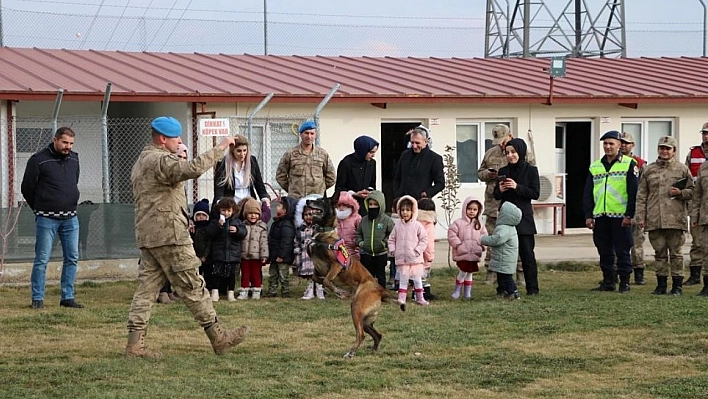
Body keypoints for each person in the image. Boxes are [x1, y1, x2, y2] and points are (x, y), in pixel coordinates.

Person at [126, 116, 248, 358]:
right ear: (163, 139)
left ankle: (134, 345)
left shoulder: (142, 160)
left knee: (146, 291)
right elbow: (190, 169)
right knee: (193, 286)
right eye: (176, 138)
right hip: (170, 235)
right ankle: (219, 337)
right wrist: (221, 147)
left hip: (150, 235)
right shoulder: (160, 160)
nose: (179, 142)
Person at [21, 126, 83, 310]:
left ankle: (67, 297)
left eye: (71, 143)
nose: (68, 147)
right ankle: (37, 298)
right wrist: (40, 208)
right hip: (46, 219)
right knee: (42, 259)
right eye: (65, 142)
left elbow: (74, 182)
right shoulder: (38, 160)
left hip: (71, 218)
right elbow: (27, 188)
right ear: (55, 140)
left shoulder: (74, 159)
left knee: (72, 258)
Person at [477, 125, 535, 286]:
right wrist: (489, 174)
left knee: (515, 240)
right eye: (499, 143)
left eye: (503, 142)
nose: (502, 146)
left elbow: (530, 174)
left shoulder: (522, 153)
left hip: (514, 204)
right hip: (494, 202)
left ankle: (520, 273)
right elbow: (480, 173)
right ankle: (492, 272)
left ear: (510, 136)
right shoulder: (491, 153)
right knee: (493, 237)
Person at [635, 136, 693, 296]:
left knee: (676, 254)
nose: (664, 151)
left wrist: (681, 192)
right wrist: (640, 216)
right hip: (655, 219)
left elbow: (694, 192)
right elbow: (641, 196)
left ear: (674, 150)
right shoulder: (648, 170)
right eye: (662, 148)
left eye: (668, 148)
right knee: (659, 254)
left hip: (676, 219)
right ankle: (661, 285)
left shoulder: (682, 169)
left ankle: (677, 286)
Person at [583, 130, 639, 294]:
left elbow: (633, 192)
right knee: (604, 251)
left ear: (620, 145)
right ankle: (608, 281)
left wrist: (629, 214)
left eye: (611, 143)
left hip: (620, 216)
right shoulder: (595, 166)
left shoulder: (629, 164)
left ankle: (625, 283)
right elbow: (588, 193)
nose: (607, 147)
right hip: (601, 215)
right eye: (605, 144)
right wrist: (588, 215)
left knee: (622, 251)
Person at [493, 138, 541, 295]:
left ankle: (532, 289)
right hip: (506, 219)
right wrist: (500, 189)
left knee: (527, 254)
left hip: (524, 219)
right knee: (503, 254)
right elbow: (496, 195)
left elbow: (535, 193)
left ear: (520, 152)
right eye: (507, 153)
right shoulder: (503, 171)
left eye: (513, 152)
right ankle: (503, 288)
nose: (510, 156)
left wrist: (517, 187)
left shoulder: (531, 170)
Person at [276, 120, 336, 199]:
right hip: (296, 199)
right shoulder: (290, 154)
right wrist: (292, 189)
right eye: (306, 133)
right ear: (301, 134)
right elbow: (280, 175)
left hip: (316, 199)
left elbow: (331, 177)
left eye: (312, 133)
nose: (309, 136)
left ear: (315, 135)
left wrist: (320, 189)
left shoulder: (322, 154)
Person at [213, 134, 270, 215]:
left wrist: (264, 198)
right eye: (239, 151)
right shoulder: (223, 162)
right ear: (233, 150)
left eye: (245, 150)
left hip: (248, 201)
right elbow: (219, 187)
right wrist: (220, 201)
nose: (242, 154)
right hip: (231, 202)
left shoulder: (252, 161)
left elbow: (259, 183)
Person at [388, 196, 429, 306]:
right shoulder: (397, 226)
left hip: (415, 259)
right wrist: (393, 251)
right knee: (403, 279)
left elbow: (424, 239)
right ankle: (402, 298)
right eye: (402, 210)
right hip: (402, 259)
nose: (405, 212)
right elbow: (391, 239)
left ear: (413, 211)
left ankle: (420, 297)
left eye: (408, 210)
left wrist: (418, 251)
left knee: (417, 279)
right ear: (399, 211)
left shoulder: (417, 225)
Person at [620, 132, 649, 285]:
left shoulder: (640, 164)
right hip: (618, 208)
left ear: (633, 145)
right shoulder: (612, 162)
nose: (624, 145)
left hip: (636, 209)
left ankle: (639, 273)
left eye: (627, 143)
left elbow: (645, 187)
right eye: (622, 142)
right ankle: (617, 273)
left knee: (636, 243)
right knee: (617, 244)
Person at [206, 198, 247, 302]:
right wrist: (219, 226)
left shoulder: (237, 222)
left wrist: (237, 231)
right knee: (216, 273)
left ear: (233, 210)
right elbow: (210, 233)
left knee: (232, 275)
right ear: (219, 210)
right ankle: (215, 293)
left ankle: (231, 293)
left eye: (229, 210)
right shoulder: (215, 222)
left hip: (233, 254)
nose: (226, 213)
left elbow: (243, 233)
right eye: (223, 210)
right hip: (218, 254)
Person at [448, 197, 488, 300]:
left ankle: (467, 292)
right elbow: (452, 235)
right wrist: (458, 245)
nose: (472, 211)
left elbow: (484, 236)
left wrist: (481, 246)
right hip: (462, 253)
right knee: (463, 271)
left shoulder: (479, 225)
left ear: (478, 211)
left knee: (469, 273)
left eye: (475, 210)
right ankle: (457, 290)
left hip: (474, 254)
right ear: (465, 209)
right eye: (469, 209)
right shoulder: (458, 223)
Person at [481, 201, 522, 299]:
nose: (497, 213)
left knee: (506, 278)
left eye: (500, 212)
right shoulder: (510, 227)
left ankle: (513, 292)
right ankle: (502, 291)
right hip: (505, 258)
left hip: (504, 259)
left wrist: (482, 239)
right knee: (501, 277)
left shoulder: (504, 228)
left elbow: (496, 240)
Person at [684, 123, 708, 286]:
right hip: (697, 203)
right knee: (697, 241)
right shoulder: (693, 153)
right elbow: (687, 178)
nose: (706, 136)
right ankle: (695, 274)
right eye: (704, 133)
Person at [393, 125, 445, 201]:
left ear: (426, 141)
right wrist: (398, 193)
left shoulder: (434, 159)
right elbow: (397, 177)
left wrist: (426, 193)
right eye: (412, 142)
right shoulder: (405, 155)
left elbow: (440, 184)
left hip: (421, 202)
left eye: (417, 143)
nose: (414, 146)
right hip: (403, 201)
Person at [356, 190, 395, 289]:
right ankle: (368, 292)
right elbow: (358, 233)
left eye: (375, 204)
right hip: (366, 253)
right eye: (370, 204)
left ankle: (382, 293)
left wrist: (384, 243)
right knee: (367, 276)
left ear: (381, 204)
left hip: (381, 254)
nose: (372, 207)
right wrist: (361, 243)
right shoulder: (364, 220)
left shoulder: (387, 220)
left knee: (381, 275)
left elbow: (393, 234)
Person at [335, 135, 379, 216]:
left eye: (374, 152)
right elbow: (339, 188)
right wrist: (355, 193)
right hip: (349, 206)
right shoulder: (346, 163)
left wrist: (368, 191)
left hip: (365, 206)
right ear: (363, 150)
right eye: (371, 152)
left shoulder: (372, 163)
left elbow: (372, 184)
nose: (373, 155)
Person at [237, 197, 269, 300]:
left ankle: (256, 290)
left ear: (259, 215)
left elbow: (264, 242)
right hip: (244, 255)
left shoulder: (262, 227)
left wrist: (264, 255)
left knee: (256, 274)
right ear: (245, 214)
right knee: (245, 274)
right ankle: (244, 291)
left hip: (257, 256)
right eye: (250, 213)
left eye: (255, 213)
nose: (253, 216)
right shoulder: (242, 226)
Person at [294, 197, 325, 300]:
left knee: (318, 272)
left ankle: (320, 290)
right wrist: (297, 251)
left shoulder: (318, 228)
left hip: (316, 255)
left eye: (310, 214)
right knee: (309, 275)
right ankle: (310, 290)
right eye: (306, 215)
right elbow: (297, 241)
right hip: (305, 254)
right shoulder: (300, 229)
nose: (308, 217)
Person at [267, 197, 298, 297]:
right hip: (274, 255)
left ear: (285, 210)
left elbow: (287, 242)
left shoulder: (286, 224)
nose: (277, 207)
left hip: (282, 257)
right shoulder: (277, 222)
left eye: (279, 206)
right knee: (273, 274)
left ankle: (285, 291)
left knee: (283, 275)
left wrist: (281, 255)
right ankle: (272, 291)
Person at [691, 140, 708, 296]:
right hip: (705, 217)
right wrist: (694, 216)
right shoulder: (703, 168)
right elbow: (697, 195)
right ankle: (706, 285)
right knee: (706, 251)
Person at [417, 198, 439, 300]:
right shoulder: (429, 225)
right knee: (423, 275)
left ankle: (420, 293)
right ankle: (421, 294)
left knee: (417, 275)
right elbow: (429, 243)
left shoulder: (415, 222)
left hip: (415, 254)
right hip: (425, 255)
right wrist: (430, 256)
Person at [335, 191, 362, 260]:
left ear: (350, 205)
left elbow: (360, 233)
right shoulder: (334, 219)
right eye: (339, 205)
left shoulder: (357, 218)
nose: (341, 208)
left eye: (344, 205)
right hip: (337, 251)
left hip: (353, 251)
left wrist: (356, 244)